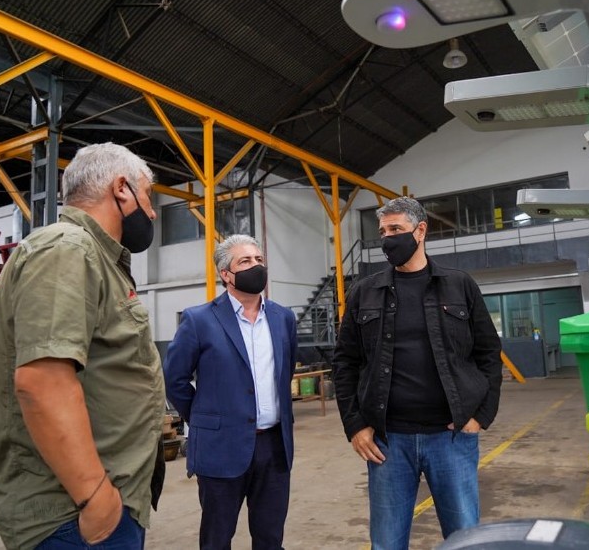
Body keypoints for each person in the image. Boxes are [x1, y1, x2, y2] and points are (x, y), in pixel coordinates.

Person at [0, 142, 165, 549]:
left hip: (95, 507)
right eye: (148, 198)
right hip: (74, 516)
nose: (151, 213)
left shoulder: (92, 257)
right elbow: (43, 384)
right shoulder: (68, 249)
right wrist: (96, 499)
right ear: (122, 189)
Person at [333, 196, 503, 549]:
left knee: (464, 539)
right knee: (387, 541)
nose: (387, 239)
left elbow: (488, 353)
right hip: (387, 441)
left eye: (396, 229)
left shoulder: (459, 285)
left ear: (420, 230)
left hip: (451, 439)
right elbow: (345, 362)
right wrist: (355, 426)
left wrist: (481, 416)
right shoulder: (365, 292)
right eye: (382, 231)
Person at [163, 235, 298, 550]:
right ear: (226, 274)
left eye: (259, 259)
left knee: (270, 538)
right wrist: (204, 417)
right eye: (246, 261)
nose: (256, 266)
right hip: (221, 447)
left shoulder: (283, 318)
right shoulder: (199, 320)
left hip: (273, 447)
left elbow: (285, 370)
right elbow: (175, 379)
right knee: (217, 538)